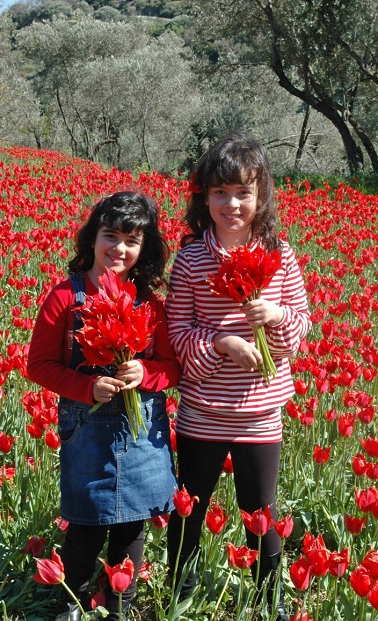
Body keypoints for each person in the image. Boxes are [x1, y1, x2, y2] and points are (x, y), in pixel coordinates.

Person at [165, 131, 311, 620]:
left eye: (243, 193)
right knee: (189, 510)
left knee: (260, 514)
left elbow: (301, 326)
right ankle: (175, 597)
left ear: (261, 196)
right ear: (203, 197)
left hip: (260, 413)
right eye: (220, 193)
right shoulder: (190, 260)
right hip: (202, 412)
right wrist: (221, 344)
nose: (232, 204)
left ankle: (271, 603)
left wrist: (274, 315)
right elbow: (177, 333)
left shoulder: (281, 255)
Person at [27, 191, 181, 621]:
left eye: (132, 240)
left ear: (143, 248)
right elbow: (38, 365)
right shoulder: (65, 296)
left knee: (133, 523)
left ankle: (119, 606)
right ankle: (71, 602)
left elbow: (173, 368)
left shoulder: (149, 305)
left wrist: (143, 374)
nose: (119, 248)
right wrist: (85, 387)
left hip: (141, 430)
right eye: (110, 236)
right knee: (85, 522)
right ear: (91, 238)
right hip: (86, 426)